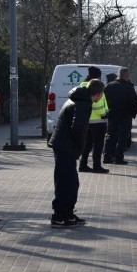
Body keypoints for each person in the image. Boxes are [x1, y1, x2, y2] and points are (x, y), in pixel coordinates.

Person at [48, 79, 106, 227]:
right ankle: (59, 216)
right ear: (98, 94)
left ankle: (67, 213)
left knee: (69, 182)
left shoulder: (77, 98)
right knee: (67, 183)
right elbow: (78, 129)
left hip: (63, 144)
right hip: (65, 146)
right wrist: (81, 147)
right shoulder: (84, 103)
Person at [103, 68, 137, 165]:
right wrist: (133, 113)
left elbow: (103, 100)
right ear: (126, 75)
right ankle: (118, 158)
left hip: (112, 115)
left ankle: (107, 157)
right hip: (125, 116)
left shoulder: (109, 86)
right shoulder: (128, 87)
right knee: (123, 137)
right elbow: (134, 102)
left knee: (110, 136)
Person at [78, 67, 110, 174]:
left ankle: (83, 165)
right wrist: (104, 113)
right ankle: (97, 166)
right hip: (98, 121)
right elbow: (98, 104)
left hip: (86, 121)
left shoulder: (82, 85)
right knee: (98, 146)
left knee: (86, 145)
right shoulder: (97, 86)